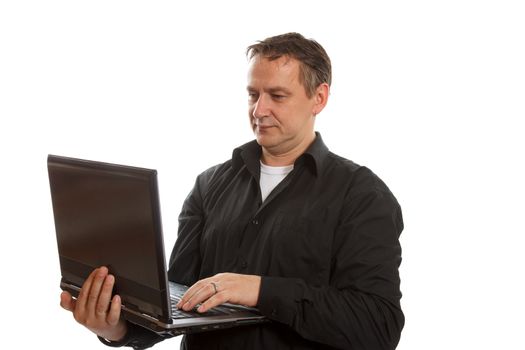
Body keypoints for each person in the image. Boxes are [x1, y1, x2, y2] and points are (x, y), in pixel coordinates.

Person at [60, 32, 404, 350]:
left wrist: (258, 289)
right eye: (253, 94)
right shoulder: (209, 185)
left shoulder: (362, 195)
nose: (259, 110)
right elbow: (177, 304)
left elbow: (378, 325)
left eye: (278, 96)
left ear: (319, 97)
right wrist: (114, 328)